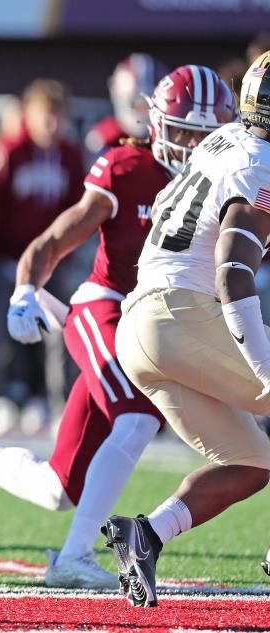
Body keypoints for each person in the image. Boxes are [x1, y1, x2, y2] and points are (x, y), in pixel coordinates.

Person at [0, 66, 235, 589]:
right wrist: (25, 289)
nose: (193, 146)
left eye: (205, 135)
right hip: (108, 308)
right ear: (158, 124)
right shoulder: (127, 167)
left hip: (162, 325)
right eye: (184, 131)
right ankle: (74, 557)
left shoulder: (228, 184)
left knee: (56, 488)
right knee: (138, 417)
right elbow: (52, 241)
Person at [104, 54, 270, 608]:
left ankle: (145, 535)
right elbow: (233, 270)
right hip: (183, 312)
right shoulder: (262, 163)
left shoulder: (225, 140)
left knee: (253, 464)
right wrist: (266, 371)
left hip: (141, 328)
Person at [0, 79, 85, 417]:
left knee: (59, 331)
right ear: (29, 115)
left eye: (56, 116)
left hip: (52, 261)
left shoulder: (70, 155)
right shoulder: (7, 150)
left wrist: (65, 254)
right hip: (4, 259)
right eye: (44, 116)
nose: (50, 125)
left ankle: (59, 402)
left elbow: (76, 208)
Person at [85, 53, 168, 156]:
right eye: (137, 103)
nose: (142, 109)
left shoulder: (168, 138)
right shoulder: (102, 139)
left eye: (147, 103)